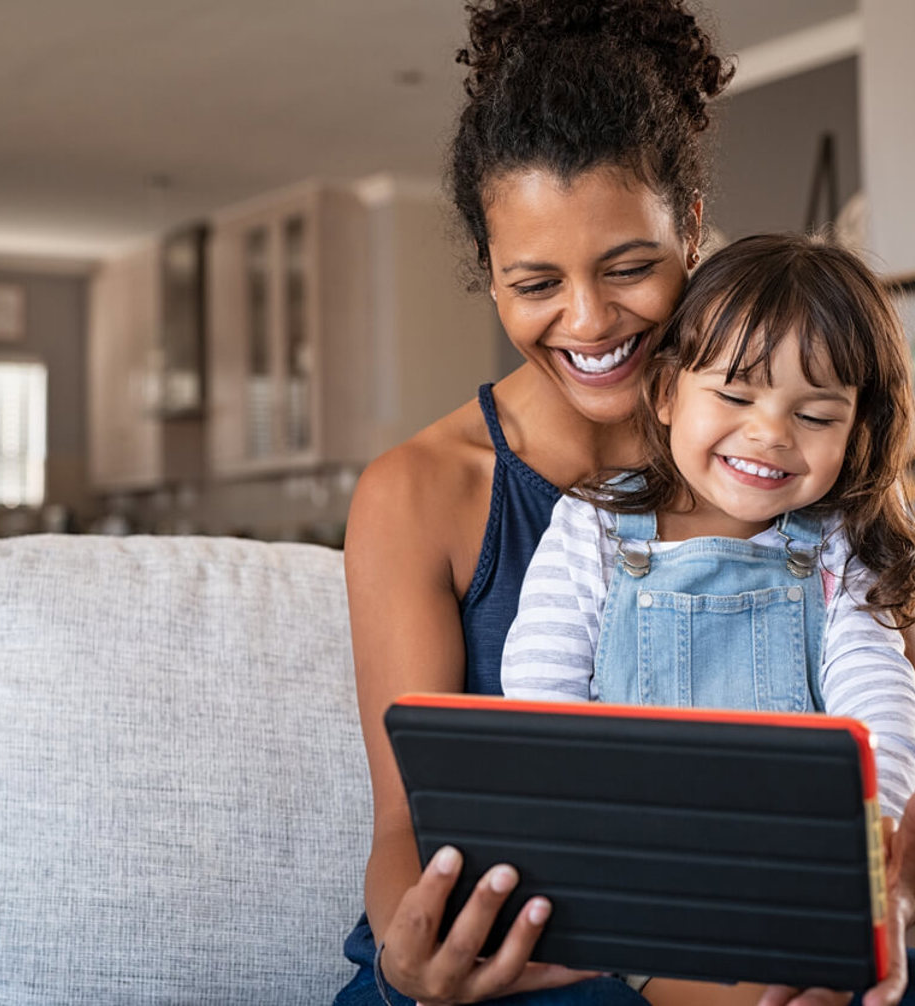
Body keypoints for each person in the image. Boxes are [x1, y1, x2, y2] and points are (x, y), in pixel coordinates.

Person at [333, 1, 915, 1004]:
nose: (591, 319)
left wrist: (882, 896)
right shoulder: (420, 492)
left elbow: (888, 732)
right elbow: (404, 829)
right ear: (489, 277)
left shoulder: (791, 463)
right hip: (532, 942)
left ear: (689, 227)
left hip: (767, 916)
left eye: (629, 266)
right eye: (534, 283)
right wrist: (413, 951)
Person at [501, 232, 915, 999]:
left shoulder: (834, 549)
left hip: (795, 874)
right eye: (734, 395)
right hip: (638, 875)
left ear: (856, 430)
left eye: (816, 415)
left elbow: (879, 700)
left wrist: (872, 844)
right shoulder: (590, 528)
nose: (770, 434)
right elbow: (539, 692)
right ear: (666, 394)